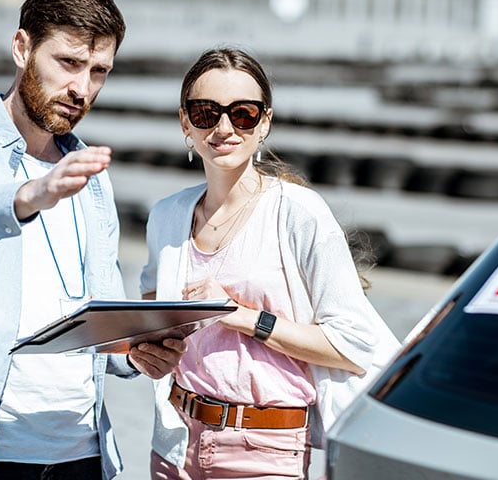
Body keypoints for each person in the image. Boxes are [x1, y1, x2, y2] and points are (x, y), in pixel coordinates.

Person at [140, 47, 401, 479]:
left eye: (242, 113)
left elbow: (354, 345)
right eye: (206, 112)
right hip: (173, 440)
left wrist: (240, 316)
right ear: (185, 122)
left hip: (265, 449)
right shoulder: (166, 216)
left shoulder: (300, 213)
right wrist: (146, 351)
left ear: (265, 123)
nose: (223, 127)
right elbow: (152, 312)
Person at [0, 0, 185, 480]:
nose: (81, 88)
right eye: (68, 62)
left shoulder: (90, 176)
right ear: (22, 47)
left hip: (84, 452)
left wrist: (138, 353)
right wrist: (30, 195)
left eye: (98, 71)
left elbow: (95, 319)